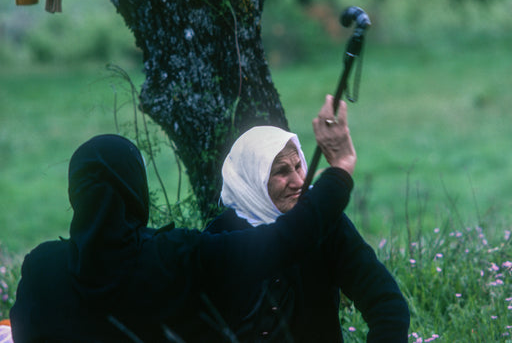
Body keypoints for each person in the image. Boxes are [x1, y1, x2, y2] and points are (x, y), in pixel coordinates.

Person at [9, 98, 356, 342]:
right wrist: (338, 171)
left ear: (75, 192)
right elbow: (283, 240)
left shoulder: (42, 266)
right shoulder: (174, 256)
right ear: (136, 190)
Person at [204, 95, 410, 342]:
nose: (299, 182)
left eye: (298, 166)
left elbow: (387, 304)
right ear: (252, 180)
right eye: (282, 171)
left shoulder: (328, 226)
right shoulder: (221, 235)